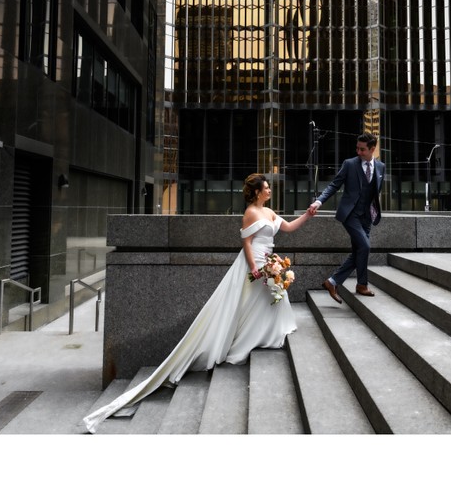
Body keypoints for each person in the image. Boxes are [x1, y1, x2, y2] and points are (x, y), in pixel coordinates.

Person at [83, 173, 311, 433]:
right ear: (257, 192)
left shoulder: (269, 212)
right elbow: (246, 243)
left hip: (268, 260)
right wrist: (254, 268)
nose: (270, 191)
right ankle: (248, 339)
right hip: (256, 263)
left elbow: (290, 227)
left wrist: (308, 215)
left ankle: (266, 333)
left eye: (269, 188)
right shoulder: (250, 213)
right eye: (267, 188)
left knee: (268, 300)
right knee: (249, 303)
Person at [307, 132, 385, 303]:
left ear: (372, 149)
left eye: (362, 149)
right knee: (364, 246)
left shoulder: (381, 167)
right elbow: (334, 185)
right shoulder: (349, 164)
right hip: (350, 215)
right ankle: (356, 284)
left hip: (367, 217)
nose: (358, 152)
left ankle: (339, 283)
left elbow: (375, 192)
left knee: (358, 250)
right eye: (357, 148)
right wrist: (318, 202)